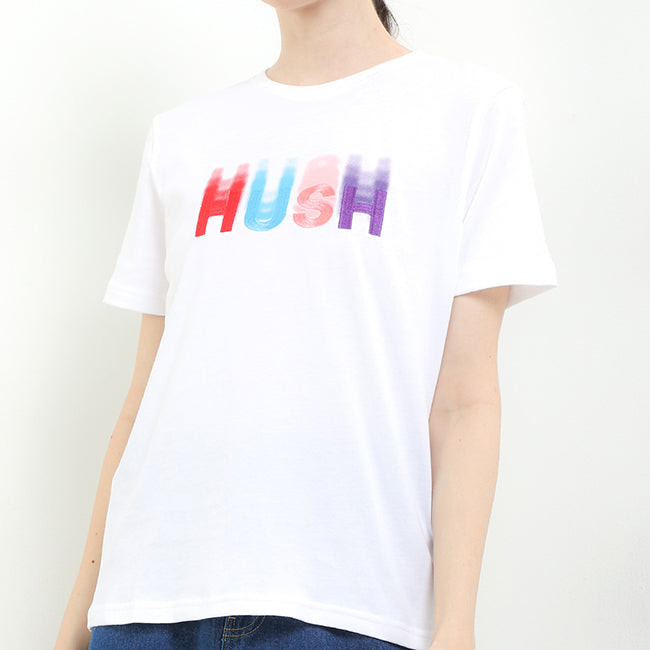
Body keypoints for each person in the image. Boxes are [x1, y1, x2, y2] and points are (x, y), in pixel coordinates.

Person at [54, 1, 559, 649]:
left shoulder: (470, 111)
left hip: (346, 609)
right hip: (143, 606)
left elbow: (465, 400)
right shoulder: (181, 136)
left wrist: (456, 625)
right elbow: (142, 401)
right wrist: (79, 613)